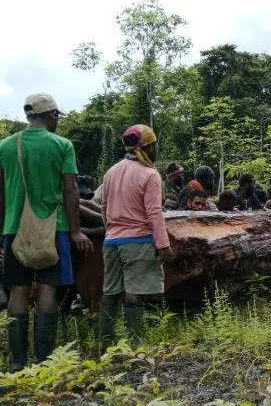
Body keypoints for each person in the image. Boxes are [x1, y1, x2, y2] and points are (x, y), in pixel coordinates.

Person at [0, 93, 92, 372]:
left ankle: (17, 362)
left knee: (18, 291)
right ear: (51, 115)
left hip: (14, 230)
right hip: (54, 229)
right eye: (56, 117)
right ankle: (44, 361)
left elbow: (0, 194)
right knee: (47, 289)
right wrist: (76, 231)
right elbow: (70, 189)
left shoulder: (4, 147)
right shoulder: (62, 145)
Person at [99, 124, 173, 345]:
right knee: (134, 293)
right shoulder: (150, 174)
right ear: (147, 148)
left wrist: (111, 231)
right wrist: (163, 244)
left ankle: (105, 343)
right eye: (154, 146)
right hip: (138, 241)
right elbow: (154, 212)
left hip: (111, 241)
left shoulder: (111, 172)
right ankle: (134, 343)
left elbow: (103, 207)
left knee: (110, 292)